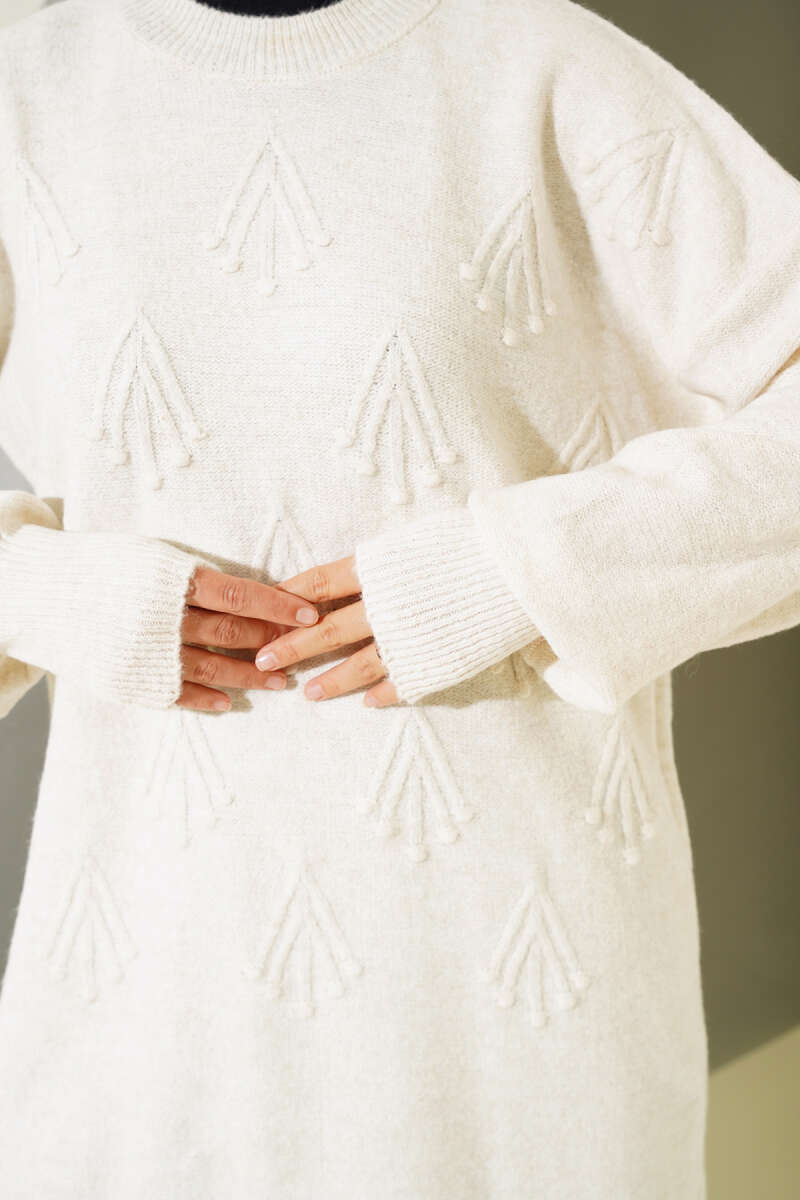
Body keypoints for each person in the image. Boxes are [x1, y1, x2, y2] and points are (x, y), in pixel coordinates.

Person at [0, 0, 798, 1195]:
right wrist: (33, 587)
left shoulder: (539, 62)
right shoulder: (26, 82)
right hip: (142, 1006)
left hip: (517, 1014)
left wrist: (526, 569)